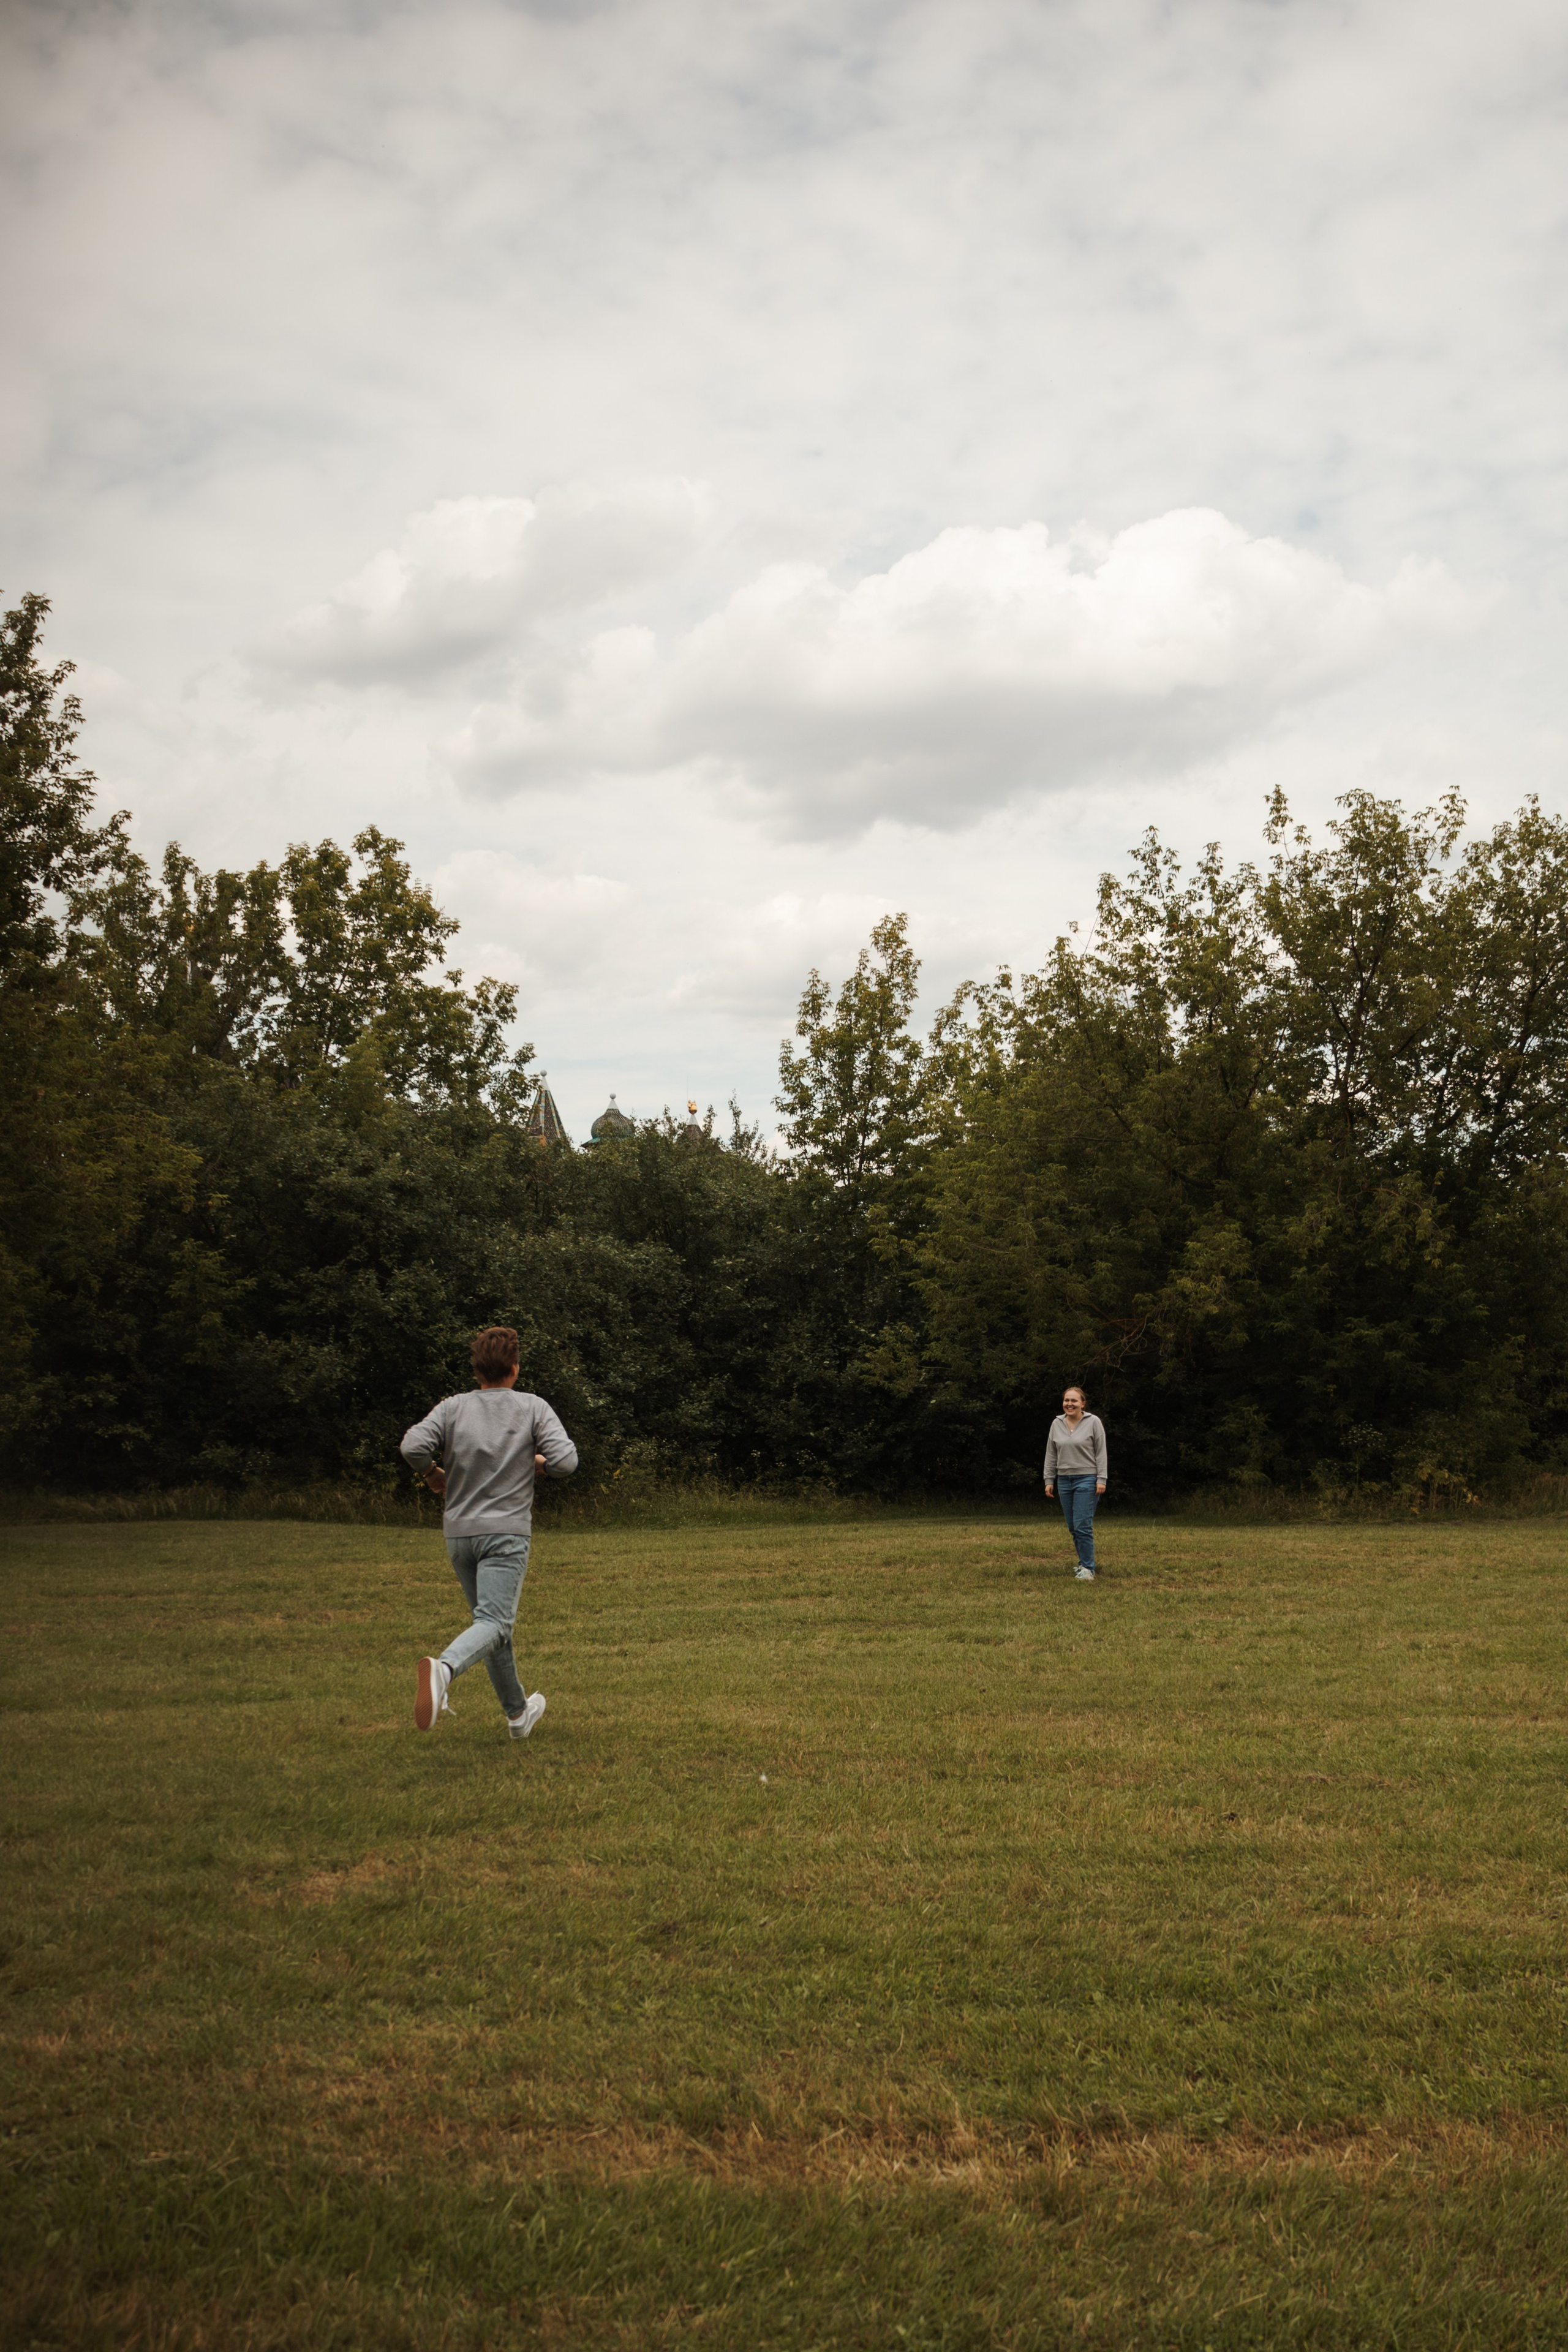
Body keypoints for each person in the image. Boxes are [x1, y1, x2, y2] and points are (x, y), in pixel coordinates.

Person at [399, 1325, 578, 1737]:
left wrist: (431, 1472)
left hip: (459, 1535)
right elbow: (567, 1462)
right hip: (506, 1535)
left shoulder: (453, 1408)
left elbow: (412, 1446)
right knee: (495, 1623)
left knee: (491, 1624)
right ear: (514, 1369)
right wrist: (541, 1465)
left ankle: (518, 1716)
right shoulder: (532, 1407)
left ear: (478, 1371)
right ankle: (443, 1670)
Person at [1043, 1384, 1107, 1580]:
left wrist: (1101, 1479)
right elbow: (1051, 1453)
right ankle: (1083, 1564)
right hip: (1064, 1480)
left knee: (1082, 1525)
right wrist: (1049, 1479)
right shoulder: (1057, 1423)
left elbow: (1101, 1452)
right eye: (1066, 1401)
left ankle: (1088, 1568)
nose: (1069, 1404)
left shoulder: (1093, 1422)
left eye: (1074, 1401)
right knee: (1073, 1527)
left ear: (1082, 1404)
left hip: (1087, 1479)